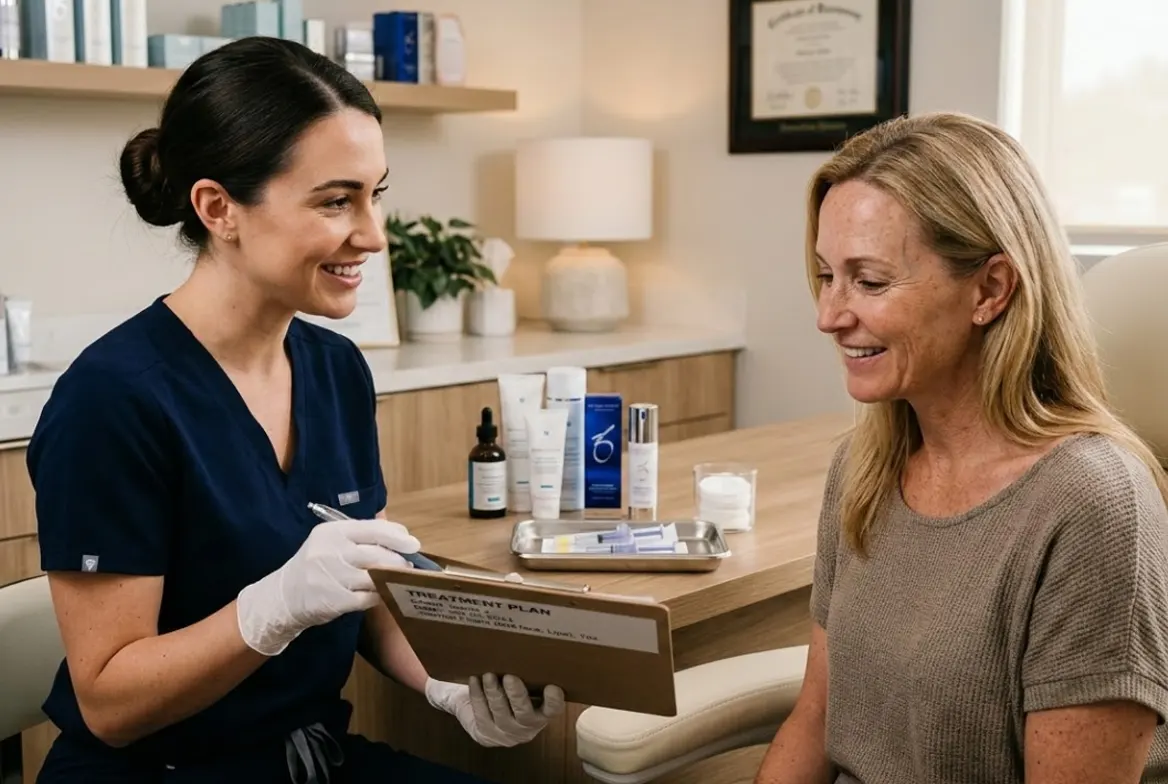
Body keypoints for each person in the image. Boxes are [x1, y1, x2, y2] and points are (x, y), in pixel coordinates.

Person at [26, 37, 563, 783]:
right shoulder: (113, 400)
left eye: (375, 194)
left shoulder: (335, 369)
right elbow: (111, 702)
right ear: (218, 208)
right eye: (335, 200)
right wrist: (267, 610)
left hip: (309, 759)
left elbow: (361, 584)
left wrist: (451, 684)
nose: (373, 235)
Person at [754, 111, 1168, 784]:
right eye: (827, 275)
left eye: (870, 280)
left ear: (990, 289)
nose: (829, 315)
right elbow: (816, 716)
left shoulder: (1093, 507)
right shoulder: (862, 470)